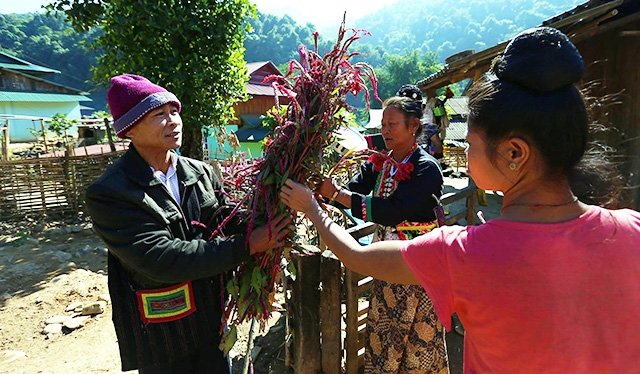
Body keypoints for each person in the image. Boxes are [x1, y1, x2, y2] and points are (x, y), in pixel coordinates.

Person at [280, 27, 640, 373]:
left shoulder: (462, 250)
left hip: (410, 267)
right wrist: (334, 194)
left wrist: (313, 208)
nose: (464, 153)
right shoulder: (631, 229)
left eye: (469, 143)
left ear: (514, 152)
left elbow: (360, 248)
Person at [85, 74, 290, 373]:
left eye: (174, 112)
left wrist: (272, 210)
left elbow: (225, 218)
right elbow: (162, 258)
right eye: (159, 115)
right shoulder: (111, 192)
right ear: (129, 129)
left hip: (211, 318)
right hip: (163, 331)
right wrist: (250, 243)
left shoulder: (200, 172)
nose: (173, 121)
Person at [317, 85, 448, 373]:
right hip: (387, 267)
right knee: (384, 332)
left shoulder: (427, 169)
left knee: (417, 339)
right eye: (383, 125)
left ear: (413, 126)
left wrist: (338, 195)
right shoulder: (380, 164)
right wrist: (321, 193)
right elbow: (351, 191)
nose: (385, 130)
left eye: (392, 125)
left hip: (417, 270)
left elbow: (394, 211)